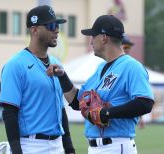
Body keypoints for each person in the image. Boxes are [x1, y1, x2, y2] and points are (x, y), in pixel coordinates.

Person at [47, 15, 154, 154]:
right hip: (96, 147)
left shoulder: (132, 66)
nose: (91, 41)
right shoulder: (101, 68)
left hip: (117, 146)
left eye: (93, 36)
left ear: (104, 38)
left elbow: (145, 103)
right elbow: (76, 102)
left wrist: (106, 113)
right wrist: (62, 76)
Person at [0, 5, 75, 154]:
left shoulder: (56, 63)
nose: (57, 30)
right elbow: (9, 112)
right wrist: (16, 151)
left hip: (57, 145)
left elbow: (60, 110)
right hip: (30, 145)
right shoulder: (15, 65)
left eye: (57, 25)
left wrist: (69, 148)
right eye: (51, 25)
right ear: (34, 29)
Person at [122, 35, 145, 129]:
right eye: (125, 47)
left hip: (123, 118)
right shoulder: (104, 65)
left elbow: (138, 97)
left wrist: (141, 118)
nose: (127, 49)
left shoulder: (133, 66)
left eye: (129, 47)